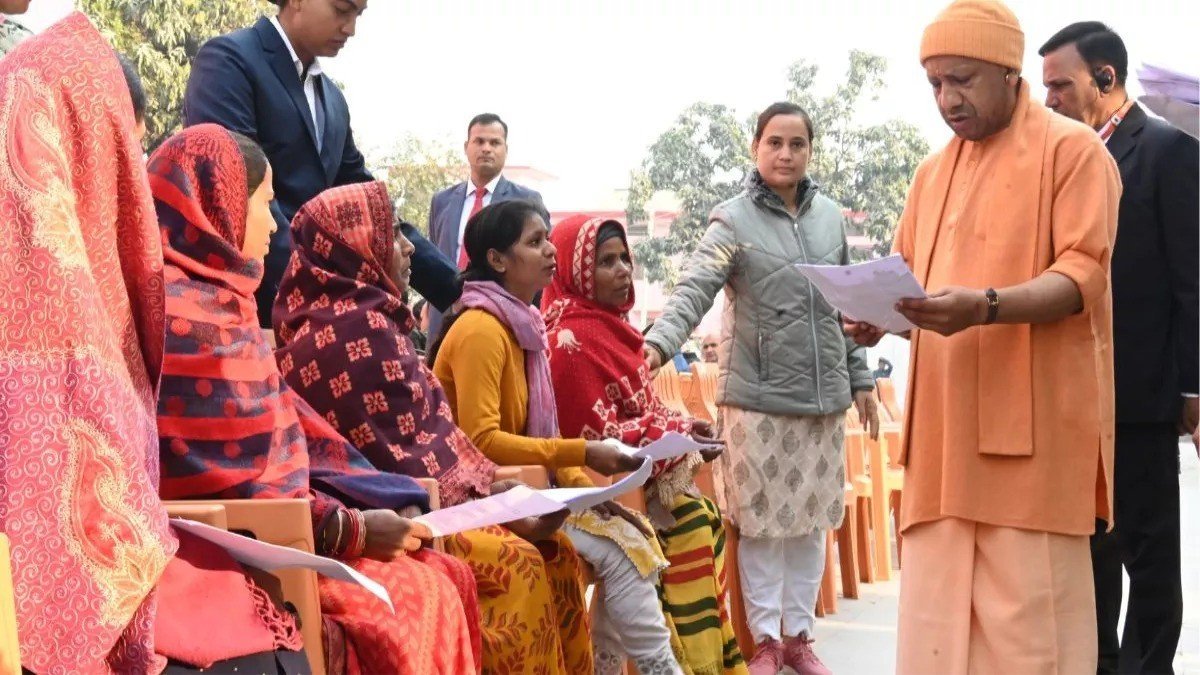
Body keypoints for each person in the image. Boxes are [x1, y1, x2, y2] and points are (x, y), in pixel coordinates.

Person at [0, 15, 311, 673]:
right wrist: (341, 527)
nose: (132, 180)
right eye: (119, 148)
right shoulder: (110, 305)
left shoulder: (101, 294)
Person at [844, 1, 1121, 671]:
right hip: (942, 447)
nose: (947, 99)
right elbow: (917, 291)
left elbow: (1081, 276)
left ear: (1007, 71)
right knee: (936, 641)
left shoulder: (1073, 150)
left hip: (1033, 448)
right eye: (935, 83)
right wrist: (881, 317)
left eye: (962, 79)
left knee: (1033, 642)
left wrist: (986, 307)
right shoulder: (930, 174)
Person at [149, 124, 480, 675]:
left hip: (287, 532)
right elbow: (225, 480)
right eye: (264, 203)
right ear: (219, 204)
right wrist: (346, 528)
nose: (273, 225)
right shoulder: (185, 318)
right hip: (233, 557)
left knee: (443, 579)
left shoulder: (224, 302)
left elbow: (284, 450)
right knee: (417, 600)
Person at [273, 179, 594, 674]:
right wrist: (498, 498)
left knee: (557, 551)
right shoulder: (351, 331)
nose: (408, 249)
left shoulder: (377, 321)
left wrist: (498, 490)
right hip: (402, 512)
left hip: (434, 500)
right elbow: (400, 462)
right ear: (356, 248)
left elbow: (435, 438)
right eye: (393, 236)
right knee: (521, 566)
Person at [644, 102, 878, 675]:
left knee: (810, 524)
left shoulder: (829, 219)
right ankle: (767, 642)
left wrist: (861, 379)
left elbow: (845, 309)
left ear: (810, 151)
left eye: (798, 144)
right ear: (755, 148)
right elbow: (694, 289)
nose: (786, 154)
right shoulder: (732, 220)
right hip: (756, 400)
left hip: (823, 402)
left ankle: (800, 638)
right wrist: (655, 346)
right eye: (775, 142)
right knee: (761, 525)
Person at [430, 200, 687, 675]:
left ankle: (615, 667)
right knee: (622, 552)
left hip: (528, 488)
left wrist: (592, 493)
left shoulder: (522, 325)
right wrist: (583, 453)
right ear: (497, 259)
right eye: (534, 242)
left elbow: (541, 436)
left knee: (633, 532)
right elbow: (482, 441)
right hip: (484, 495)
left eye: (548, 239)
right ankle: (658, 668)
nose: (550, 250)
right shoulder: (482, 329)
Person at [1041, 21, 1198, 674]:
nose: (1048, 99)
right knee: (1090, 553)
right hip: (1073, 397)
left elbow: (1192, 280)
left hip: (1141, 393)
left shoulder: (1167, 151)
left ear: (1106, 78)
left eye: (1060, 85)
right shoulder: (1059, 161)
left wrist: (1193, 388)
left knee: (1149, 559)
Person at [544, 215, 747, 674]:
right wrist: (670, 436)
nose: (623, 270)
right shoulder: (568, 341)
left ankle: (698, 661)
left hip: (636, 483)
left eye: (624, 258)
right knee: (684, 527)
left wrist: (682, 429)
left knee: (701, 516)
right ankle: (678, 664)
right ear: (576, 273)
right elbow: (593, 436)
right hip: (597, 489)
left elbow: (643, 412)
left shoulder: (615, 329)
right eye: (606, 262)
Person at [183, 0, 459, 327]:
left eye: (358, 15)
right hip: (241, 308)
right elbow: (238, 186)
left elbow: (371, 204)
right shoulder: (230, 62)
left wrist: (457, 289)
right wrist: (323, 292)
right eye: (342, 10)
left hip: (311, 311)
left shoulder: (333, 100)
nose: (351, 29)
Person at [427, 113, 549, 339]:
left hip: (502, 321)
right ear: (466, 147)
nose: (486, 148)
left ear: (506, 149)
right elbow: (434, 258)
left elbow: (540, 265)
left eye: (494, 143)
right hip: (445, 317)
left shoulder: (526, 202)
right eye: (479, 141)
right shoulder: (441, 201)